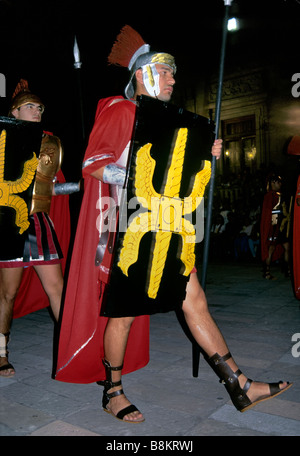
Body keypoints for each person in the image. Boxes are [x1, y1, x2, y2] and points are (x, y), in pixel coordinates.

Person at [55, 26, 292, 423]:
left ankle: (240, 385)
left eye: (171, 72)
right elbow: (93, 166)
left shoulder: (170, 121)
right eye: (165, 71)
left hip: (170, 227)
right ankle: (112, 392)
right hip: (130, 228)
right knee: (125, 311)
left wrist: (205, 154)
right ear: (141, 74)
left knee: (194, 299)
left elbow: (176, 174)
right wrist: (130, 172)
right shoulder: (120, 110)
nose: (173, 79)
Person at [0, 80, 79, 378]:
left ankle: (71, 351)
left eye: (40, 107)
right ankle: (1, 352)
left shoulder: (50, 143)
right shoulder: (1, 138)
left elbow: (51, 188)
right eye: (30, 107)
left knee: (57, 288)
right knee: (8, 293)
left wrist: (82, 185)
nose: (37, 111)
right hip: (9, 222)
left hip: (38, 223)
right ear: (15, 111)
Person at [260, 173, 291, 279]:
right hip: (273, 226)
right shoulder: (269, 195)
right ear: (273, 182)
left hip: (281, 226)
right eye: (278, 182)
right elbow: (268, 213)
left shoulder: (280, 194)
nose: (280, 184)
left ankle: (288, 270)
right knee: (271, 248)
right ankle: (267, 273)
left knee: (287, 247)